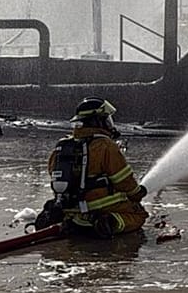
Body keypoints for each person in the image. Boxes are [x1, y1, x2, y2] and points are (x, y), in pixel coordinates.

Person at [36, 97, 148, 237]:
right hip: (99, 206)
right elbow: (123, 180)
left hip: (70, 206)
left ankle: (62, 217)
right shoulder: (105, 145)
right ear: (97, 121)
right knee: (139, 214)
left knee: (71, 215)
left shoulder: (64, 145)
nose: (109, 124)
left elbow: (52, 171)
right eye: (106, 120)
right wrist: (137, 193)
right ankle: (108, 223)